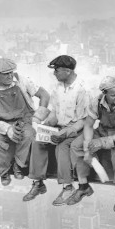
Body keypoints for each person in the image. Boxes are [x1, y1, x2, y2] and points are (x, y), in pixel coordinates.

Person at [23, 55, 87, 206]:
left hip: (76, 130)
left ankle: (68, 187)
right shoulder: (58, 88)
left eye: (57, 70)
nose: (54, 74)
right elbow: (53, 113)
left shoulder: (82, 89)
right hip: (60, 127)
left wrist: (64, 133)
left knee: (61, 147)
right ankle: (38, 183)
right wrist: (43, 125)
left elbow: (82, 121)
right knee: (38, 140)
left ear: (67, 71)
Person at [70, 75, 115, 210]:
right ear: (105, 93)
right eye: (114, 95)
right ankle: (83, 186)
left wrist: (103, 142)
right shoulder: (96, 101)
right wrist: (87, 146)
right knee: (76, 145)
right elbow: (89, 125)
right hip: (102, 130)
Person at [0, 57, 50, 186]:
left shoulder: (22, 80)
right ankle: (3, 172)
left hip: (25, 120)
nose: (10, 76)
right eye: (5, 74)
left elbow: (45, 95)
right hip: (2, 123)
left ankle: (19, 166)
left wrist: (37, 118)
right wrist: (7, 129)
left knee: (29, 136)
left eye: (11, 72)